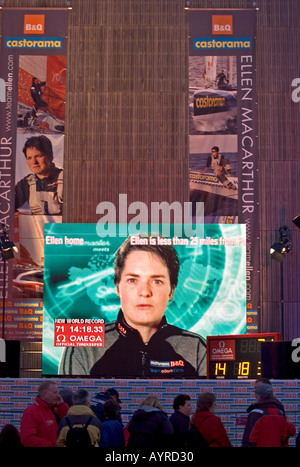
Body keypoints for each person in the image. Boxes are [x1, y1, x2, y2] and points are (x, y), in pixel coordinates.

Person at [59, 234, 207, 378]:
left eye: (156, 281)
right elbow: (74, 401)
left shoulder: (197, 349)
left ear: (171, 291)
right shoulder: (83, 348)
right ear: (117, 287)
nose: (144, 292)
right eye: (132, 280)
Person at [15, 135, 63, 215]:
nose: (34, 162)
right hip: (37, 227)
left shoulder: (67, 179)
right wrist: (22, 217)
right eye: (29, 158)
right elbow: (5, 206)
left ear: (50, 156)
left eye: (39, 156)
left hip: (63, 227)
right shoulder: (26, 183)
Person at [20, 380, 69, 447]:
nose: (58, 396)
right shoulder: (31, 412)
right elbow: (27, 439)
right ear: (45, 394)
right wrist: (50, 445)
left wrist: (61, 405)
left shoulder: (51, 409)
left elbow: (67, 421)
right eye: (55, 393)